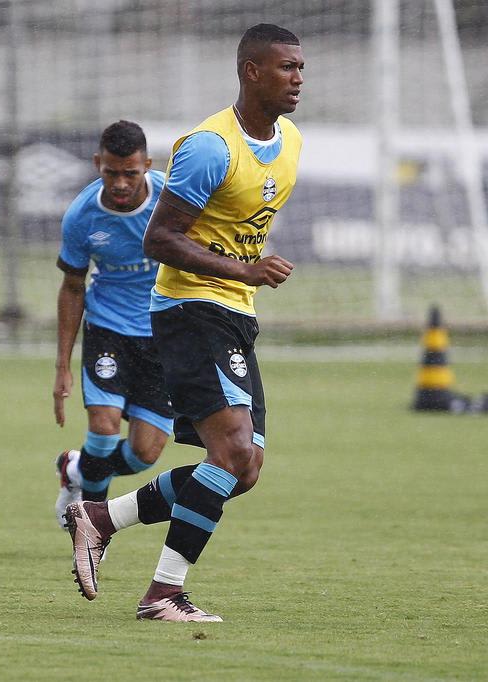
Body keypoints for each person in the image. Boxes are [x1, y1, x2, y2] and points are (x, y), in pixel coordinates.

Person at [62, 23, 304, 622]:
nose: (298, 78)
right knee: (232, 453)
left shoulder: (291, 139)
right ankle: (163, 594)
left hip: (234, 315)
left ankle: (100, 516)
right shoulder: (208, 148)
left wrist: (242, 280)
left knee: (243, 470)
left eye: (300, 68)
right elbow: (161, 238)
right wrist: (243, 270)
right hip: (189, 310)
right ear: (251, 71)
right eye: (285, 68)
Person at [53, 121, 173, 528]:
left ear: (148, 166)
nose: (120, 183)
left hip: (162, 334)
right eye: (111, 173)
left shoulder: (172, 201)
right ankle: (92, 526)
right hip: (109, 328)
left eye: (130, 173)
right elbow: (72, 288)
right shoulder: (82, 217)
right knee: (103, 429)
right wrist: (62, 366)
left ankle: (74, 470)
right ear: (97, 164)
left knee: (144, 455)